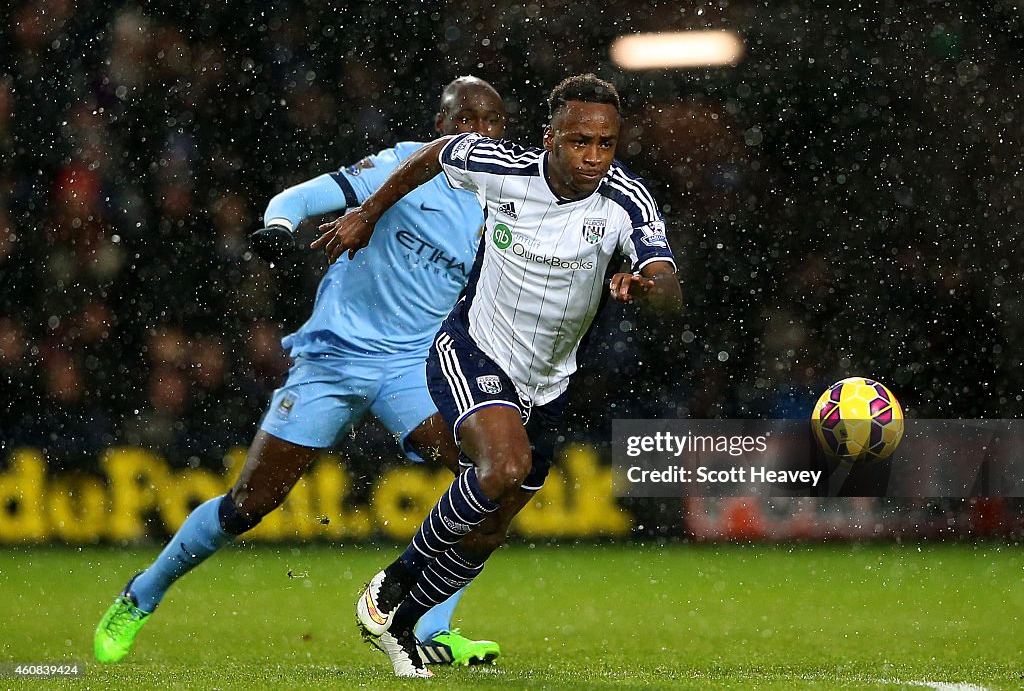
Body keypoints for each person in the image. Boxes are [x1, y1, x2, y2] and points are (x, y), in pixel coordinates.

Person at [94, 77, 508, 667]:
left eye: (489, 121)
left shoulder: (503, 208)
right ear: (439, 126)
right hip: (334, 358)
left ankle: (431, 627)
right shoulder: (396, 168)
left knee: (489, 483)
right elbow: (299, 198)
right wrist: (278, 228)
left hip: (412, 367)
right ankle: (142, 594)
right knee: (249, 503)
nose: (476, 131)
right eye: (462, 117)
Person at [313, 73, 683, 678]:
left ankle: (402, 629)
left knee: (491, 527)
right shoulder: (501, 166)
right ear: (550, 138)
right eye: (579, 141)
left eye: (606, 144)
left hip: (551, 381)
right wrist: (368, 213)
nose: (593, 157)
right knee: (502, 468)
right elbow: (435, 154)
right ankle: (387, 590)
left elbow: (669, 283)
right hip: (476, 349)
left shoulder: (625, 202)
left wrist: (647, 287)